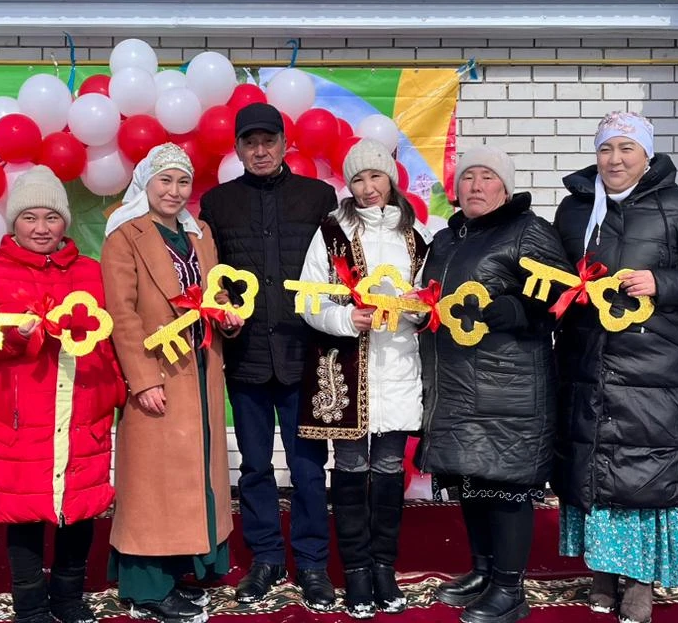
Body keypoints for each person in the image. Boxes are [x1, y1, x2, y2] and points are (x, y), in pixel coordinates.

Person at [552, 112, 678, 623]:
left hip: (652, 361)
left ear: (646, 155)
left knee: (642, 471)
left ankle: (639, 581)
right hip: (585, 358)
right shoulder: (575, 210)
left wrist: (662, 282)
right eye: (607, 149)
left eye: (627, 149)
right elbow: (558, 273)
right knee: (593, 468)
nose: (615, 160)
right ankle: (603, 573)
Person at [0, 166, 125, 623]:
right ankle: (30, 608)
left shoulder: (91, 271)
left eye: (51, 217)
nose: (41, 228)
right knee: (22, 514)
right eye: (30, 218)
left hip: (83, 412)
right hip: (17, 416)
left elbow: (110, 338)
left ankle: (67, 600)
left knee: (79, 511)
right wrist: (14, 332)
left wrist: (114, 393)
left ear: (65, 222)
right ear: (14, 222)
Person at [415, 146, 572, 623]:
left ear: (505, 187)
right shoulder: (446, 239)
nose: (476, 186)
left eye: (487, 177)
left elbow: (564, 294)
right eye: (468, 178)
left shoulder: (529, 231)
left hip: (510, 385)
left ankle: (510, 589)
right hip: (459, 382)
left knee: (505, 486)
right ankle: (483, 571)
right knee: (473, 479)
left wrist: (517, 310)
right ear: (456, 189)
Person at [198, 103, 338, 610]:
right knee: (254, 467)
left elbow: (336, 268)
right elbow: (207, 275)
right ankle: (266, 558)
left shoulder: (319, 197)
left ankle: (314, 563)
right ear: (237, 148)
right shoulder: (217, 203)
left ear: (285, 144)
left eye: (269, 141)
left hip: (304, 354)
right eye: (250, 143)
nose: (260, 151)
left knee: (306, 469)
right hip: (248, 357)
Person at [101, 144, 244, 623]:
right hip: (157, 371)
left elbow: (214, 290)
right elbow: (121, 315)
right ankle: (147, 586)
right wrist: (141, 380)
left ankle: (184, 565)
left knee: (194, 472)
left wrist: (228, 317)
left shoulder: (199, 233)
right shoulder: (125, 236)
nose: (175, 191)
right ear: (147, 183)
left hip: (200, 371)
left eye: (183, 182)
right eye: (165, 181)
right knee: (153, 481)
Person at [295, 139, 431, 618]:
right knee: (350, 469)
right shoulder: (331, 232)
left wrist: (413, 312)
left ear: (390, 180)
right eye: (358, 179)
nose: (369, 188)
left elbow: (431, 300)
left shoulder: (415, 237)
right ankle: (354, 571)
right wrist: (344, 320)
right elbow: (308, 299)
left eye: (376, 177)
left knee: (390, 470)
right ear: (348, 185)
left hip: (397, 367)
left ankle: (383, 568)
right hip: (344, 370)